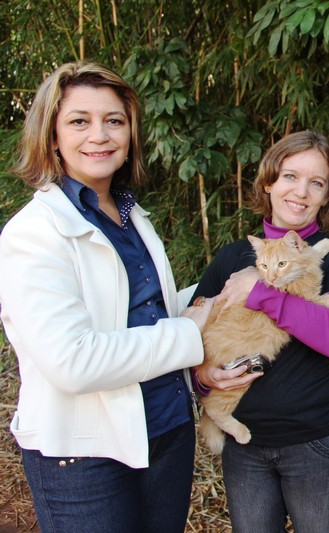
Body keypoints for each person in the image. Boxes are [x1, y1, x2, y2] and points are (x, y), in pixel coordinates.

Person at [0, 61, 214, 533]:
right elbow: (73, 361)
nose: (100, 134)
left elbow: (144, 314)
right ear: (52, 136)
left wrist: (223, 289)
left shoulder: (132, 215)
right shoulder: (33, 235)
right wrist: (191, 332)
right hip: (82, 454)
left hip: (164, 432)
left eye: (114, 121)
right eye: (80, 121)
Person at [192, 130, 329, 532]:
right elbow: (192, 333)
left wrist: (260, 291)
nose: (301, 192)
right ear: (269, 181)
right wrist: (203, 379)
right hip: (246, 445)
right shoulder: (234, 256)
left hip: (318, 443)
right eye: (290, 176)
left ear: (327, 196)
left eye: (316, 183)